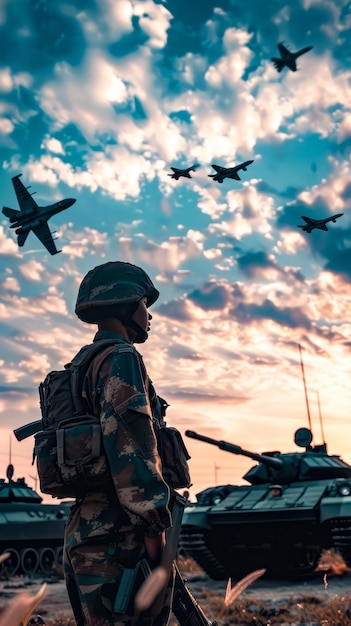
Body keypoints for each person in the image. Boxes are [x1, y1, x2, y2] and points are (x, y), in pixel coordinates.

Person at [63, 261, 174, 626]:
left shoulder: (83, 363)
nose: (149, 315)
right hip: (122, 537)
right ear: (125, 304)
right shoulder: (122, 358)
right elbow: (132, 449)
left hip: (86, 530)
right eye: (144, 304)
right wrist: (155, 530)